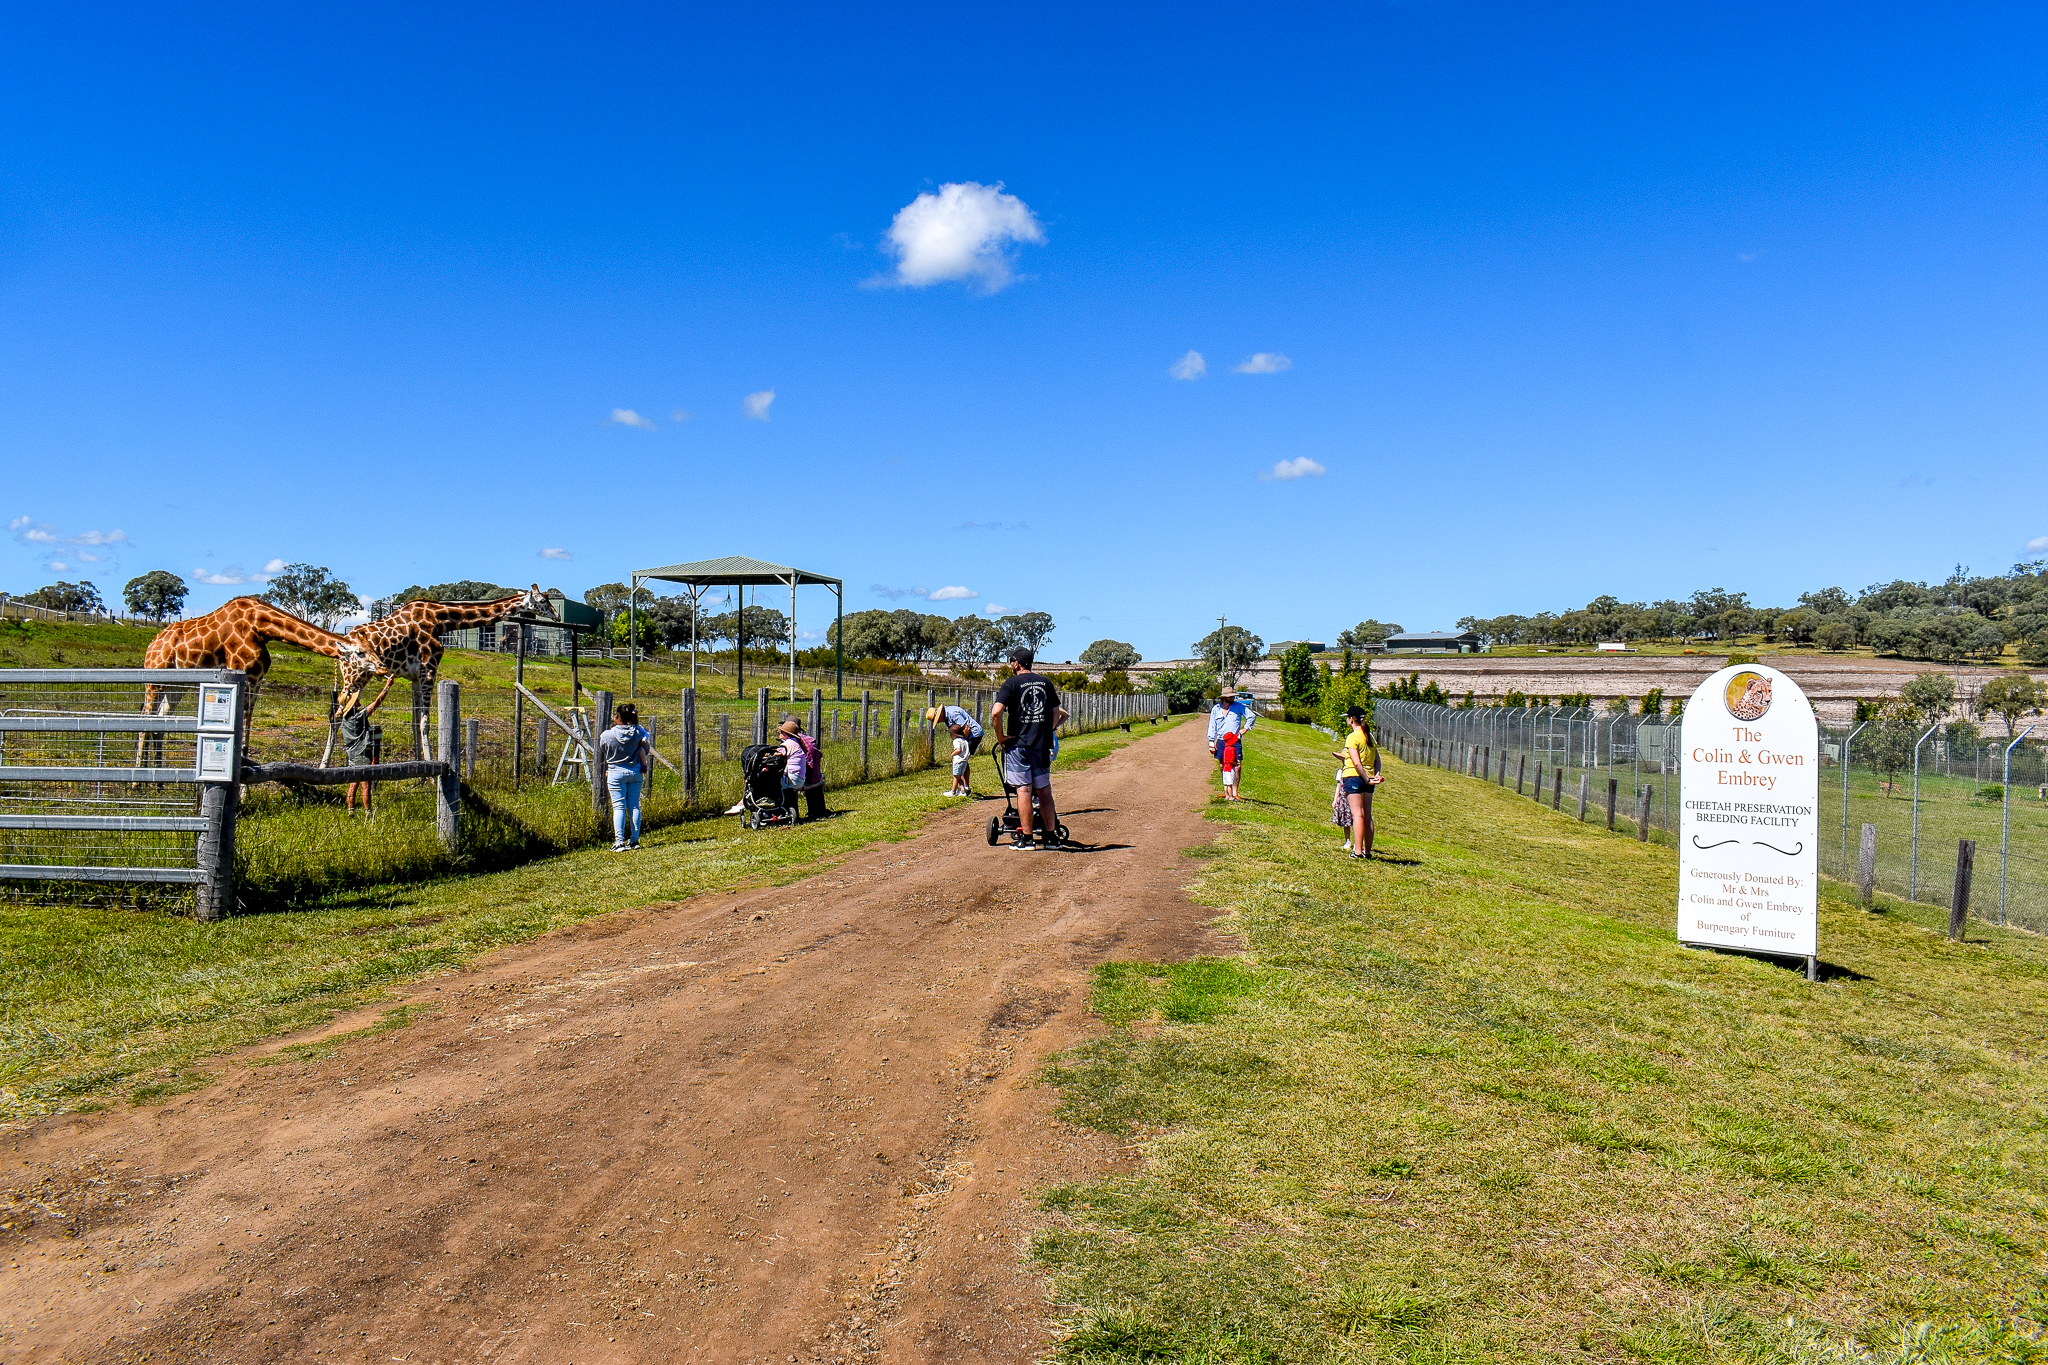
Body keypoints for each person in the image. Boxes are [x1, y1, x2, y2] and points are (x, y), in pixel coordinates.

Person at [989, 646, 1070, 850]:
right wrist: (1047, 731)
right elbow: (1055, 712)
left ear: (1016, 663)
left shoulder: (1011, 684)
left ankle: (1027, 838)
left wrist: (1001, 737)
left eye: (1011, 661)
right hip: (1041, 746)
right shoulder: (1045, 682)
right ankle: (1051, 837)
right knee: (1044, 790)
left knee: (1023, 790)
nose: (1010, 664)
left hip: (1018, 745)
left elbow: (996, 712)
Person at [598, 702, 652, 850]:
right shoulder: (639, 733)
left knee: (618, 807)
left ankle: (619, 841)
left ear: (617, 716)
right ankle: (634, 840)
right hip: (635, 772)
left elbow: (604, 749)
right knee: (634, 805)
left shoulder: (607, 735)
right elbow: (645, 749)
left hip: (615, 773)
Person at [1333, 705, 1383, 859]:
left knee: (1357, 815)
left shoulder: (1353, 737)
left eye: (1348, 718)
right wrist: (1375, 776)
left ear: (1351, 719)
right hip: (1368, 779)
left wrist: (1366, 778)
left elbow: (1356, 763)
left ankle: (1358, 851)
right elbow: (1377, 760)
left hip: (1354, 777)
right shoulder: (1369, 736)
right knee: (1367, 815)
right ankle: (1367, 851)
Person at [339, 704, 376, 815]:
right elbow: (376, 703)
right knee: (365, 786)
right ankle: (368, 812)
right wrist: (387, 687)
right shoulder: (359, 717)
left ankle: (351, 811)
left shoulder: (344, 719)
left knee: (353, 784)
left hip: (351, 754)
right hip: (363, 753)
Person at [776, 716, 809, 821]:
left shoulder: (787, 744)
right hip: (800, 779)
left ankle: (774, 809)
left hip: (792, 780)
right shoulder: (796, 744)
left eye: (781, 732)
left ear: (785, 734)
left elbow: (776, 754)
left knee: (771, 784)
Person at [795, 719, 827, 819]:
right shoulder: (809, 739)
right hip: (816, 773)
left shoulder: (796, 742)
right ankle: (818, 810)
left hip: (807, 776)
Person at [1219, 728, 1242, 801]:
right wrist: (1236, 763)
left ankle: (1226, 796)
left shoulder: (1225, 748)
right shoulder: (1232, 749)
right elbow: (1231, 760)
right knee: (1229, 784)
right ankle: (1231, 796)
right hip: (1229, 768)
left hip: (1225, 768)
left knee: (1225, 784)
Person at [948, 729, 971, 796]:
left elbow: (958, 750)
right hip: (964, 761)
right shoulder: (965, 741)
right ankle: (963, 790)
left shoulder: (956, 741)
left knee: (956, 777)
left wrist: (952, 754)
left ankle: (953, 792)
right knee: (960, 776)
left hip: (958, 761)